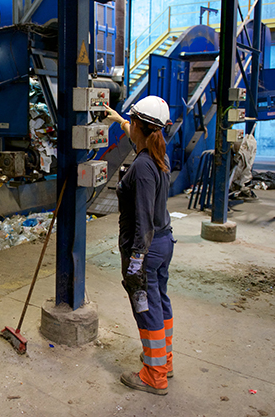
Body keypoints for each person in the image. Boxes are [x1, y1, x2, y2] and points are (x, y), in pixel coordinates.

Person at [103, 96, 176, 396]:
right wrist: (117, 118)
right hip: (164, 242)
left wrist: (135, 260)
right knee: (159, 300)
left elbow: (143, 220)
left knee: (145, 307)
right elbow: (140, 138)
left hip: (146, 248)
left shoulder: (144, 168)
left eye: (131, 122)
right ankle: (163, 361)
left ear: (139, 126)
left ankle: (154, 376)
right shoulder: (158, 153)